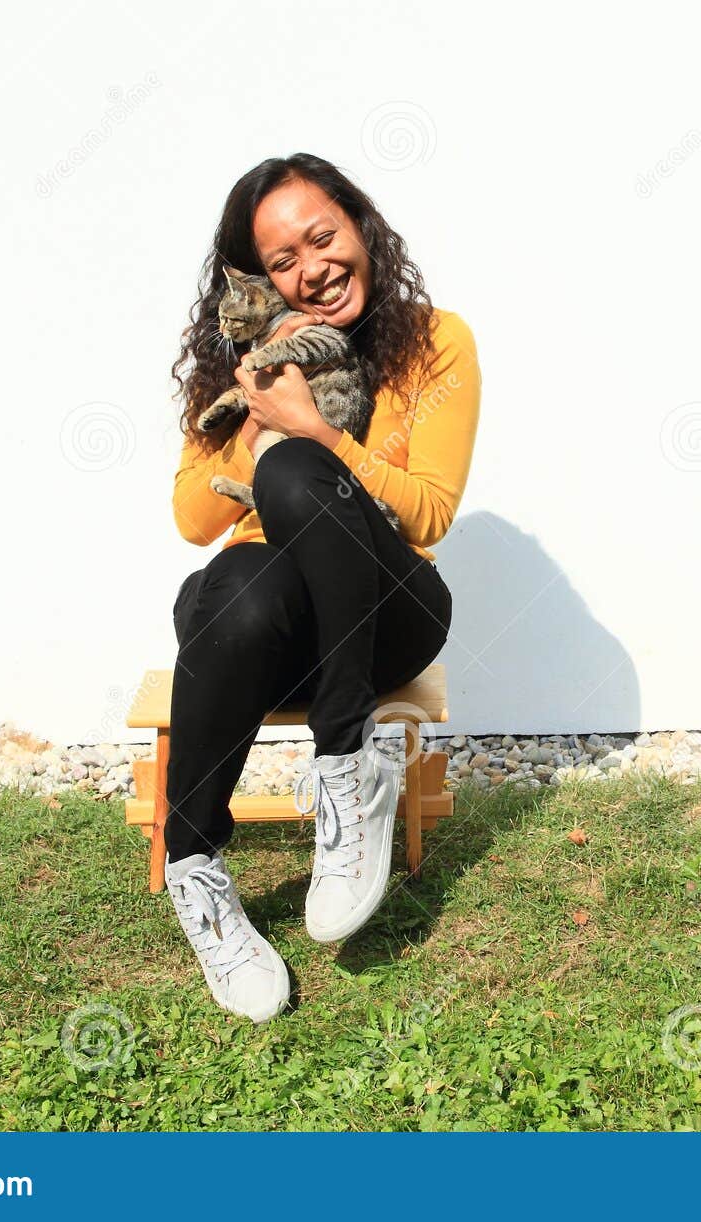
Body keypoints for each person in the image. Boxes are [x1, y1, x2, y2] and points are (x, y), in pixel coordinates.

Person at [161, 153, 482, 1022]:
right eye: (282, 262)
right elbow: (195, 515)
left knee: (301, 471)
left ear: (360, 224)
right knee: (232, 587)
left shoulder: (434, 341)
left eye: (323, 237)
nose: (312, 269)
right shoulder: (247, 360)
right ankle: (193, 870)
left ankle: (351, 766)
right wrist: (257, 410)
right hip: (274, 632)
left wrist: (311, 435)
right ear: (260, 279)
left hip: (389, 613)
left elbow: (428, 516)